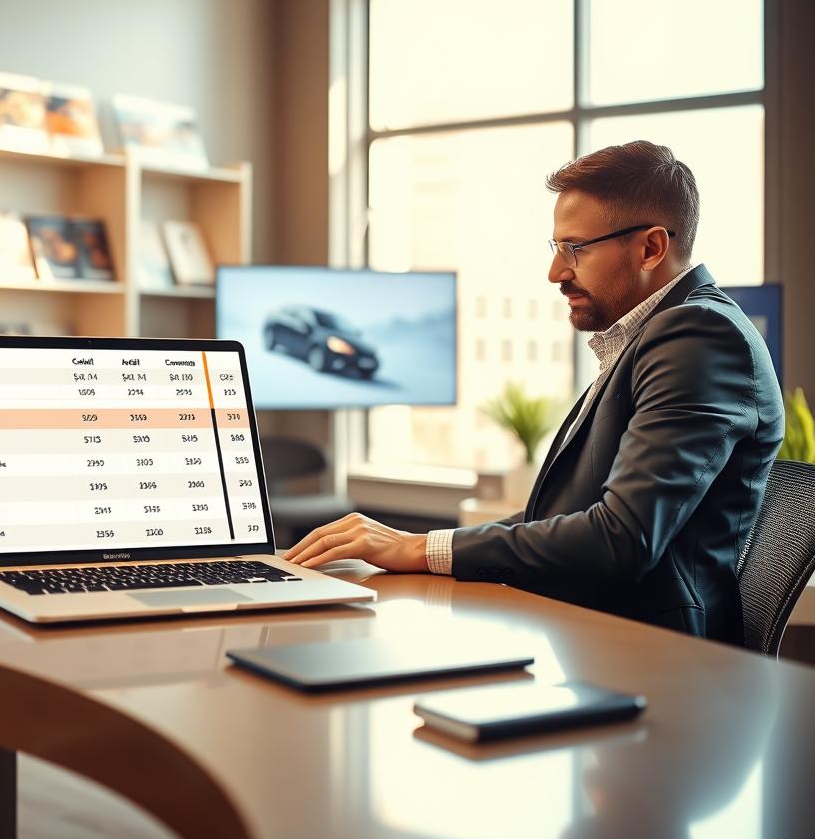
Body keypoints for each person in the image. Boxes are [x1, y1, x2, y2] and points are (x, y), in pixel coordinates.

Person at [285, 141, 785, 644]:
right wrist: (419, 547)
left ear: (651, 248)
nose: (556, 272)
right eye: (557, 248)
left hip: (654, 663)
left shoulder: (698, 338)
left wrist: (421, 549)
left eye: (576, 249)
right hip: (591, 638)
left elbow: (622, 539)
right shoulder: (654, 336)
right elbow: (563, 515)